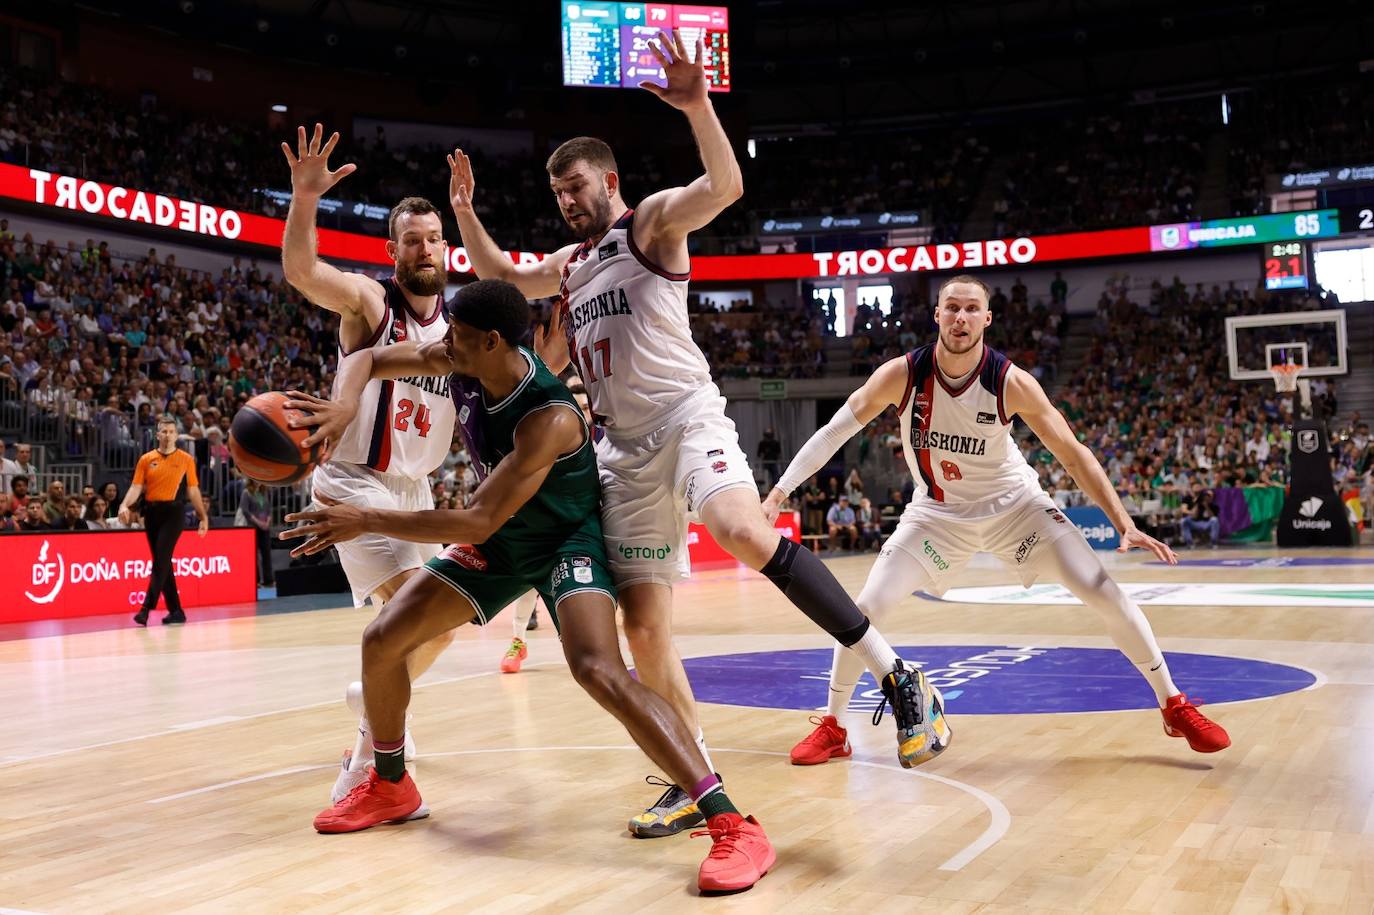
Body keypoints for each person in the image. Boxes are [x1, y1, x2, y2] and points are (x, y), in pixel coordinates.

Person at [447, 28, 938, 834]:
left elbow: (726, 184)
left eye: (576, 185)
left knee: (743, 531)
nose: (567, 200)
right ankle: (691, 768)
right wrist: (466, 214)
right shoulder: (571, 265)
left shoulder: (650, 224)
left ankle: (898, 674)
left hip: (685, 418)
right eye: (558, 191)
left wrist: (699, 104)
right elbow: (499, 275)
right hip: (620, 452)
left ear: (607, 179)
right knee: (643, 629)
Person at [283, 280, 775, 893]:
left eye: (457, 337)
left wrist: (366, 518)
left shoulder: (549, 416)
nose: (445, 345)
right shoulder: (458, 359)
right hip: (503, 541)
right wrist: (345, 405)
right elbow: (371, 356)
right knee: (382, 639)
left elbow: (475, 520)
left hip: (564, 541)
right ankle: (390, 785)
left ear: (490, 341)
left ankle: (732, 824)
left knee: (597, 668)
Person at [763, 275, 1229, 765]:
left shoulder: (1010, 382)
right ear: (937, 315)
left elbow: (1073, 453)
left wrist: (1123, 522)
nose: (960, 318)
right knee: (865, 607)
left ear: (987, 319)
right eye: (951, 308)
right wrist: (778, 493)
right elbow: (834, 431)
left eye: (971, 309)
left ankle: (1173, 704)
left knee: (1104, 591)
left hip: (1017, 509)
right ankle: (835, 726)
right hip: (937, 515)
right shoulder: (902, 375)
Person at [278, 123, 459, 804]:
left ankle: (375, 699)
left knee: (445, 621)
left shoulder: (460, 325)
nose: (423, 248)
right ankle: (370, 760)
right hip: (354, 482)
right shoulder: (370, 303)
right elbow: (302, 271)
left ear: (447, 246)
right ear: (393, 250)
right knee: (412, 619)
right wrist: (304, 197)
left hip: (415, 493)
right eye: (410, 240)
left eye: (433, 237)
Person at [118, 416, 210, 626]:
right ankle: (176, 611)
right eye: (164, 432)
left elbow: (193, 490)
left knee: (160, 560)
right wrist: (124, 505)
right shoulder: (146, 459)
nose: (167, 435)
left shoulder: (186, 459)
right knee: (164, 562)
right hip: (151, 513)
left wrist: (202, 516)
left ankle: (145, 609)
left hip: (173, 513)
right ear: (157, 435)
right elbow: (136, 487)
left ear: (177, 435)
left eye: (171, 432)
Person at [238, 479, 275, 586]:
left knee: (266, 553)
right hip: (252, 527)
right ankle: (256, 580)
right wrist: (258, 522)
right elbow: (245, 510)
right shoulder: (247, 493)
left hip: (265, 527)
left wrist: (268, 520)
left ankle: (269, 580)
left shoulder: (264, 492)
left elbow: (268, 509)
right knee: (254, 555)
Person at [1180, 484, 1220, 548]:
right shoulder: (1196, 503)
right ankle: (1190, 543)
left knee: (1215, 520)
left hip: (1207, 523)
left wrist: (1206, 506)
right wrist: (1197, 504)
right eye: (1206, 496)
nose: (1207, 498)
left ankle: (1213, 543)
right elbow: (1194, 516)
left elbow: (1212, 516)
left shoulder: (1215, 506)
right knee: (1184, 521)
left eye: (1209, 496)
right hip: (1195, 523)